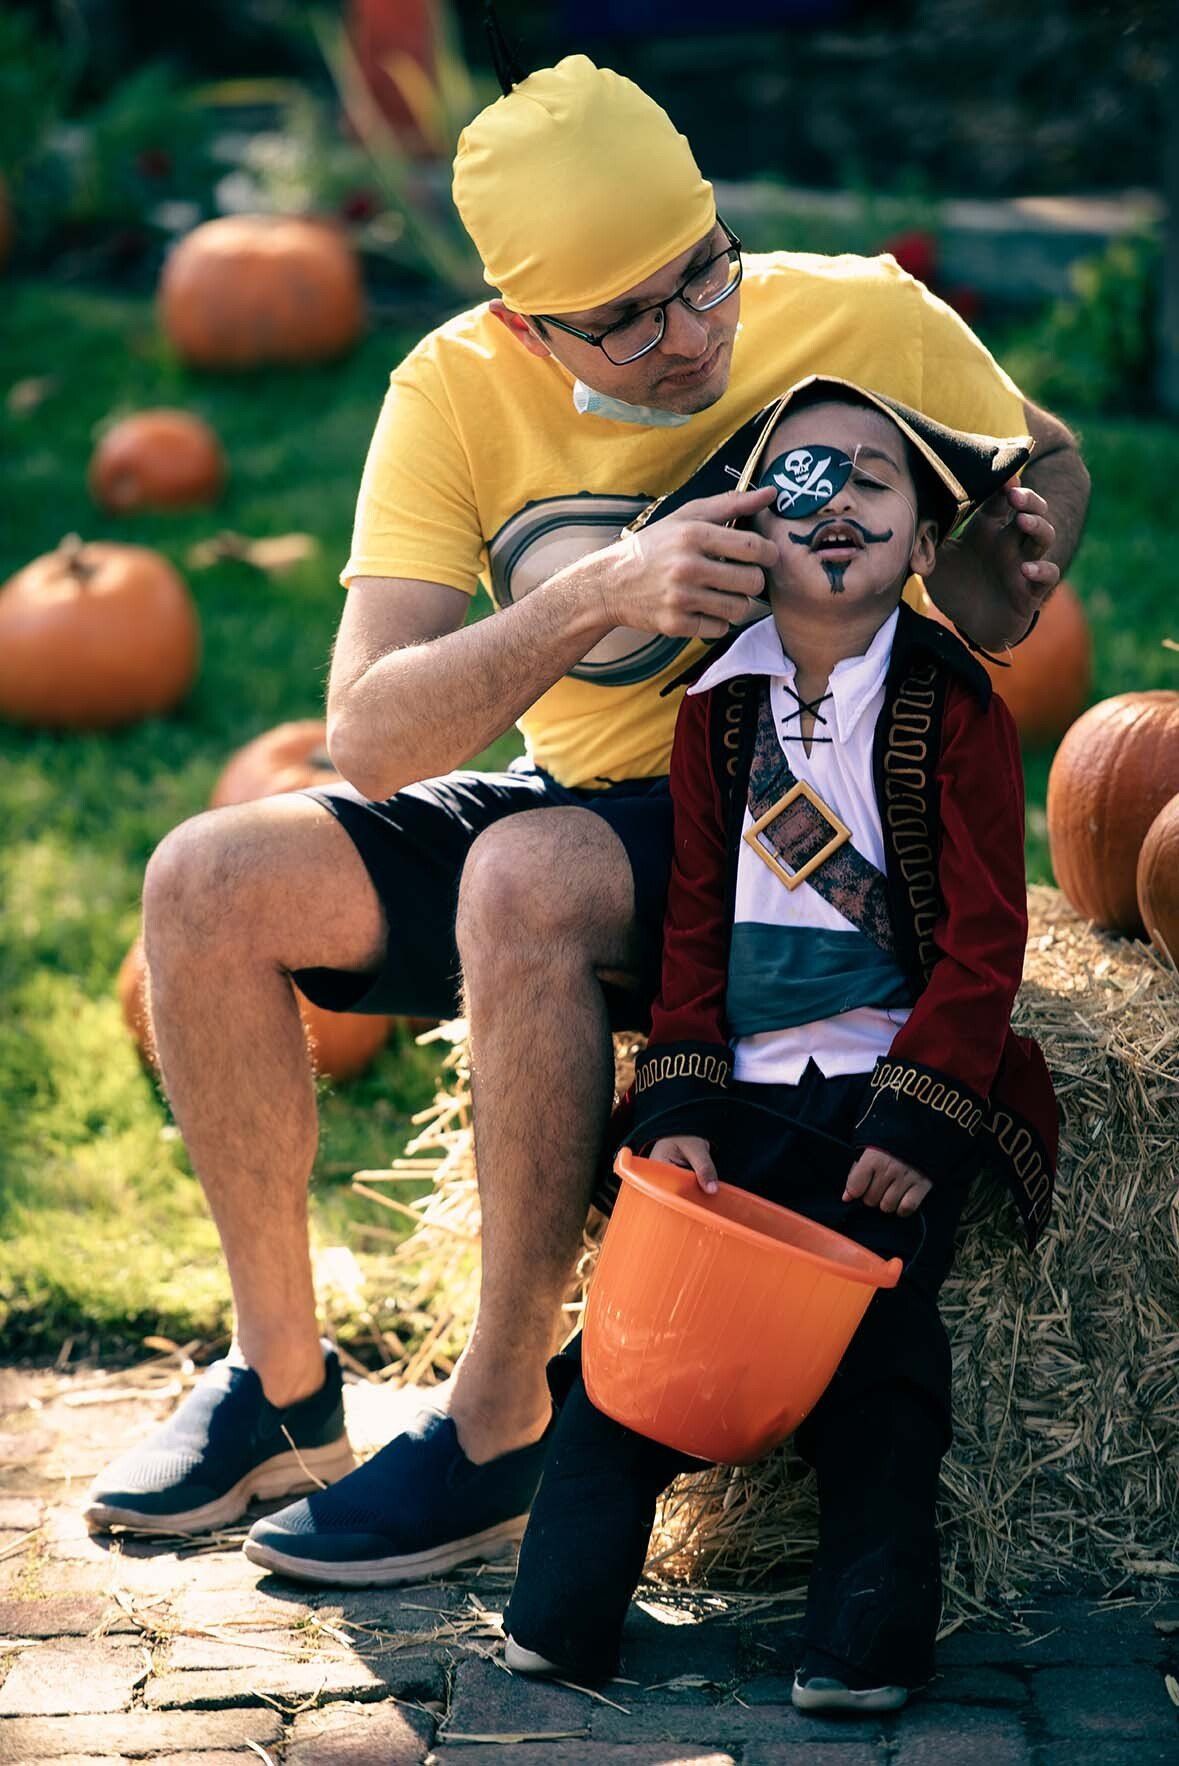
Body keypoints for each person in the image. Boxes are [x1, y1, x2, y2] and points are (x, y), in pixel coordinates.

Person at [84, 55, 1086, 1580]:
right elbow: (367, 732)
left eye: (702, 277)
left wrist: (1023, 552)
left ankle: (497, 1426)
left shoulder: (865, 316)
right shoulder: (452, 393)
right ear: (520, 323)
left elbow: (1050, 458)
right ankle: (277, 1396)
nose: (689, 336)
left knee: (521, 872)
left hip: (819, 832)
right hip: (598, 800)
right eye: (626, 318)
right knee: (207, 875)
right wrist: (599, 594)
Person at [499, 376, 1059, 1709]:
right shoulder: (717, 709)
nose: (843, 499)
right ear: (759, 527)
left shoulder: (956, 706)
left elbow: (988, 938)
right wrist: (677, 1096)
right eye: (809, 477)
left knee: (879, 1367)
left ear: (923, 539)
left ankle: (864, 1645)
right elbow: (692, 922)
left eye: (877, 478)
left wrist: (921, 1120)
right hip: (738, 1101)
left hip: (881, 1091)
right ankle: (562, 1617)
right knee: (621, 1363)